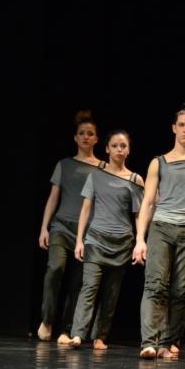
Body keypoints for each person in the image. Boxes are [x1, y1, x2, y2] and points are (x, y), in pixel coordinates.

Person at [133, 103, 185, 359]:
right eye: (181, 125)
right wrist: (140, 239)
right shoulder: (158, 163)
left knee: (181, 290)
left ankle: (169, 342)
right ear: (173, 128)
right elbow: (148, 203)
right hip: (161, 227)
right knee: (155, 285)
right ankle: (149, 342)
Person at [68, 130, 144, 349]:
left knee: (111, 292)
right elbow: (86, 208)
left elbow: (139, 215)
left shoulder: (135, 179)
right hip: (96, 239)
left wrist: (140, 241)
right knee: (89, 287)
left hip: (122, 243)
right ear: (107, 149)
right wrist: (80, 240)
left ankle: (100, 336)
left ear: (128, 150)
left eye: (123, 146)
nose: (119, 149)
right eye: (115, 145)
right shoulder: (95, 175)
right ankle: (78, 334)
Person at [37, 110, 105, 344]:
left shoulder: (103, 168)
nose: (86, 137)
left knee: (78, 282)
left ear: (97, 139)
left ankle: (66, 329)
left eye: (90, 133)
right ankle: (47, 320)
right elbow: (53, 198)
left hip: (88, 232)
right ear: (75, 137)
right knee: (55, 268)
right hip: (62, 226)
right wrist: (44, 228)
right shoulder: (64, 165)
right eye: (82, 133)